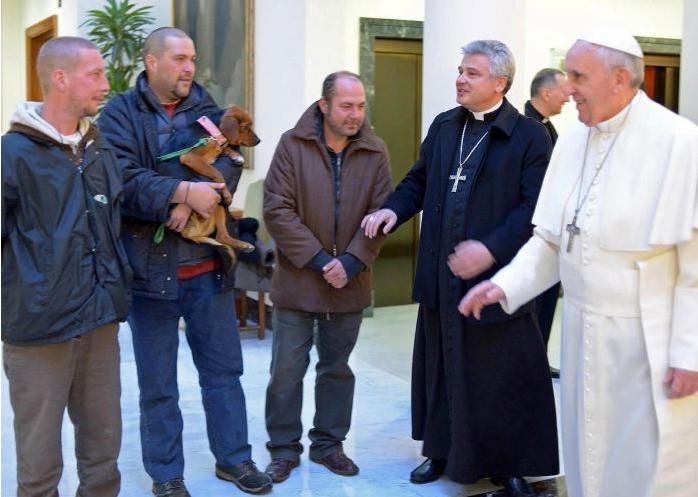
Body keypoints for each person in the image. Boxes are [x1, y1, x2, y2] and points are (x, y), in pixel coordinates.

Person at [459, 31, 698, 497]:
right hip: (581, 331)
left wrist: (689, 355)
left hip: (646, 340)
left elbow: (695, 267)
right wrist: (506, 284)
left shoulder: (680, 143)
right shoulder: (572, 141)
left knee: (646, 466)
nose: (568, 88)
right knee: (588, 451)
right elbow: (552, 239)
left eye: (578, 76)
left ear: (621, 78)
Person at [363, 40, 558, 497]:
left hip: (497, 281)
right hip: (441, 274)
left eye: (472, 73)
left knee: (499, 375)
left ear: (500, 82)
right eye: (460, 70)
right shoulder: (445, 125)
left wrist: (490, 249)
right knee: (441, 365)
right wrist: (394, 209)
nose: (460, 79)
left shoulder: (528, 136)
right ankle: (440, 450)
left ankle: (509, 464)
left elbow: (534, 209)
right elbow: (419, 179)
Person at [98, 27, 271, 496]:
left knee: (224, 373)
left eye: (192, 58)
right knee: (158, 384)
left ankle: (235, 460)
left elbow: (231, 159)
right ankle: (166, 473)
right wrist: (179, 192)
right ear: (151, 62)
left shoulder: (206, 107)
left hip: (208, 272)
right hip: (149, 274)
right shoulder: (120, 113)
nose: (189, 67)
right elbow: (120, 177)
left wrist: (195, 195)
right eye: (179, 59)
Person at [1, 36, 131, 497]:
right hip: (39, 330)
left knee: (103, 458)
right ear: (60, 78)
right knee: (38, 468)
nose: (105, 84)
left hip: (99, 321)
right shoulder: (11, 155)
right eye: (95, 74)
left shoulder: (100, 149)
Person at [262, 71, 392, 483]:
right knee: (286, 372)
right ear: (324, 105)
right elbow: (277, 210)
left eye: (361, 106)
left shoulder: (375, 150)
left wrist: (352, 261)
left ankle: (329, 444)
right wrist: (321, 260)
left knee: (337, 370)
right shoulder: (292, 144)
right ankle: (283, 448)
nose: (355, 114)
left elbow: (383, 213)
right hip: (299, 281)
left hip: (349, 283)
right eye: (346, 106)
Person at [524, 67, 572, 378]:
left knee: (547, 300)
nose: (568, 96)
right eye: (564, 91)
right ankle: (529, 362)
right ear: (546, 92)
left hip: (552, 228)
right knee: (534, 301)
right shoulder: (528, 128)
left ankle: (537, 358)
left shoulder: (546, 126)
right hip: (534, 230)